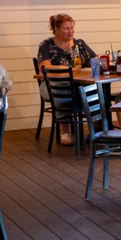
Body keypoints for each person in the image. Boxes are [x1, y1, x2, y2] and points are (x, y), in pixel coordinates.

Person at [37, 13, 97, 146]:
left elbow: (94, 60)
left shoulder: (79, 44)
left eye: (71, 28)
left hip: (77, 84)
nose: (70, 31)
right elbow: (44, 67)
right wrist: (68, 69)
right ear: (56, 29)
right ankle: (65, 131)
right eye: (66, 28)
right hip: (51, 85)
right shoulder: (47, 44)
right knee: (63, 89)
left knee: (97, 89)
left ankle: (98, 130)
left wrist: (97, 62)